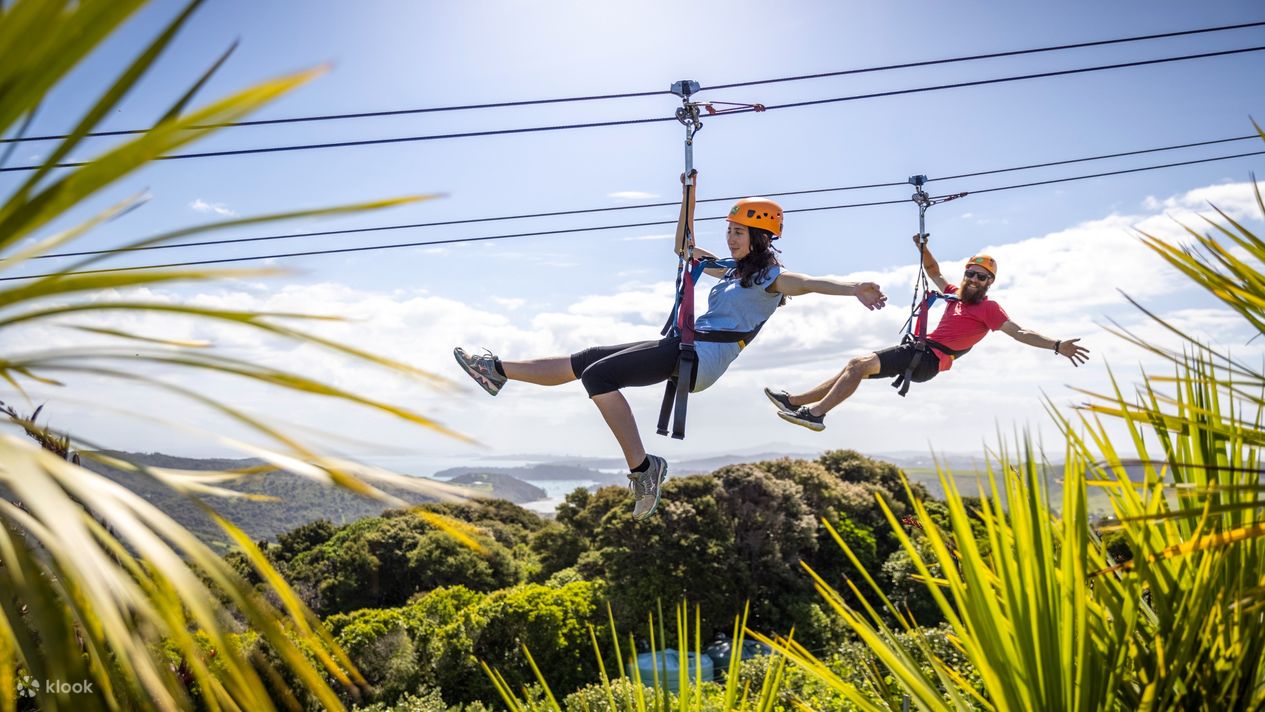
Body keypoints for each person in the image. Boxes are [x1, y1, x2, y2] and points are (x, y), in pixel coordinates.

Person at [454, 188, 887, 520]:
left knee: (598, 378)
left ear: (760, 236)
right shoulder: (732, 271)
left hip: (699, 359)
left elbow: (807, 282)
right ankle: (495, 371)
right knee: (587, 360)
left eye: (738, 232)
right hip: (684, 347)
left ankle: (644, 470)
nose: (730, 238)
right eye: (729, 230)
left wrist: (853, 289)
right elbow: (684, 247)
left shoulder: (772, 278)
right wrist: (689, 196)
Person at [766, 234, 1090, 431]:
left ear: (990, 283)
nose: (975, 280)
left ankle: (816, 414)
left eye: (982, 277)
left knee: (857, 365)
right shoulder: (953, 293)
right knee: (852, 369)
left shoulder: (989, 309)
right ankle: (795, 402)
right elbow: (933, 272)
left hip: (928, 359)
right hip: (920, 352)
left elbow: (1019, 332)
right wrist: (923, 248)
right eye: (972, 274)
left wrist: (1056, 345)